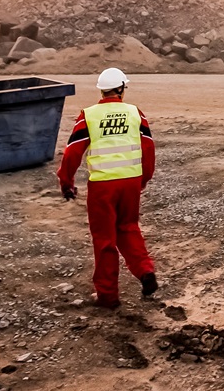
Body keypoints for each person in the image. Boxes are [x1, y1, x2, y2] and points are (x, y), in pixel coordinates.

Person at [57, 67, 157, 309]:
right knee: (129, 228)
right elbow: (148, 149)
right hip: (131, 182)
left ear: (102, 91)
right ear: (121, 89)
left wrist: (66, 182)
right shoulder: (135, 113)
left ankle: (107, 295)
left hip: (102, 186)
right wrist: (143, 180)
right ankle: (145, 271)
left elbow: (72, 153)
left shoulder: (89, 115)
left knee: (104, 239)